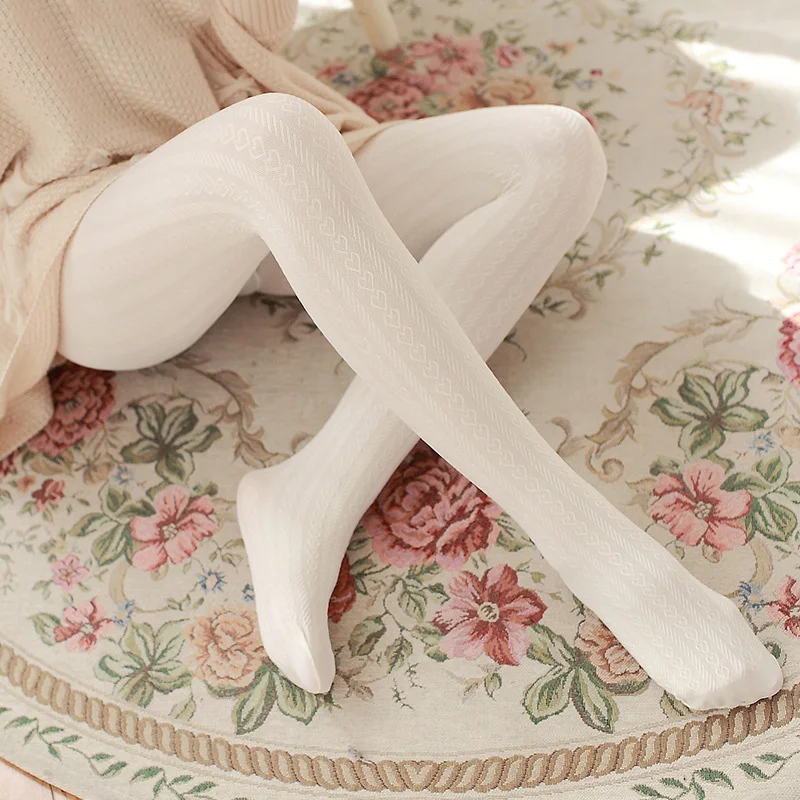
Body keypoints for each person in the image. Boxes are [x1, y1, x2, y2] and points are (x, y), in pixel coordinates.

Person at [1, 0, 781, 709]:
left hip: (242, 143)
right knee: (274, 138)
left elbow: (252, 24)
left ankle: (315, 491)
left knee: (553, 150)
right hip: (82, 228)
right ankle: (597, 548)